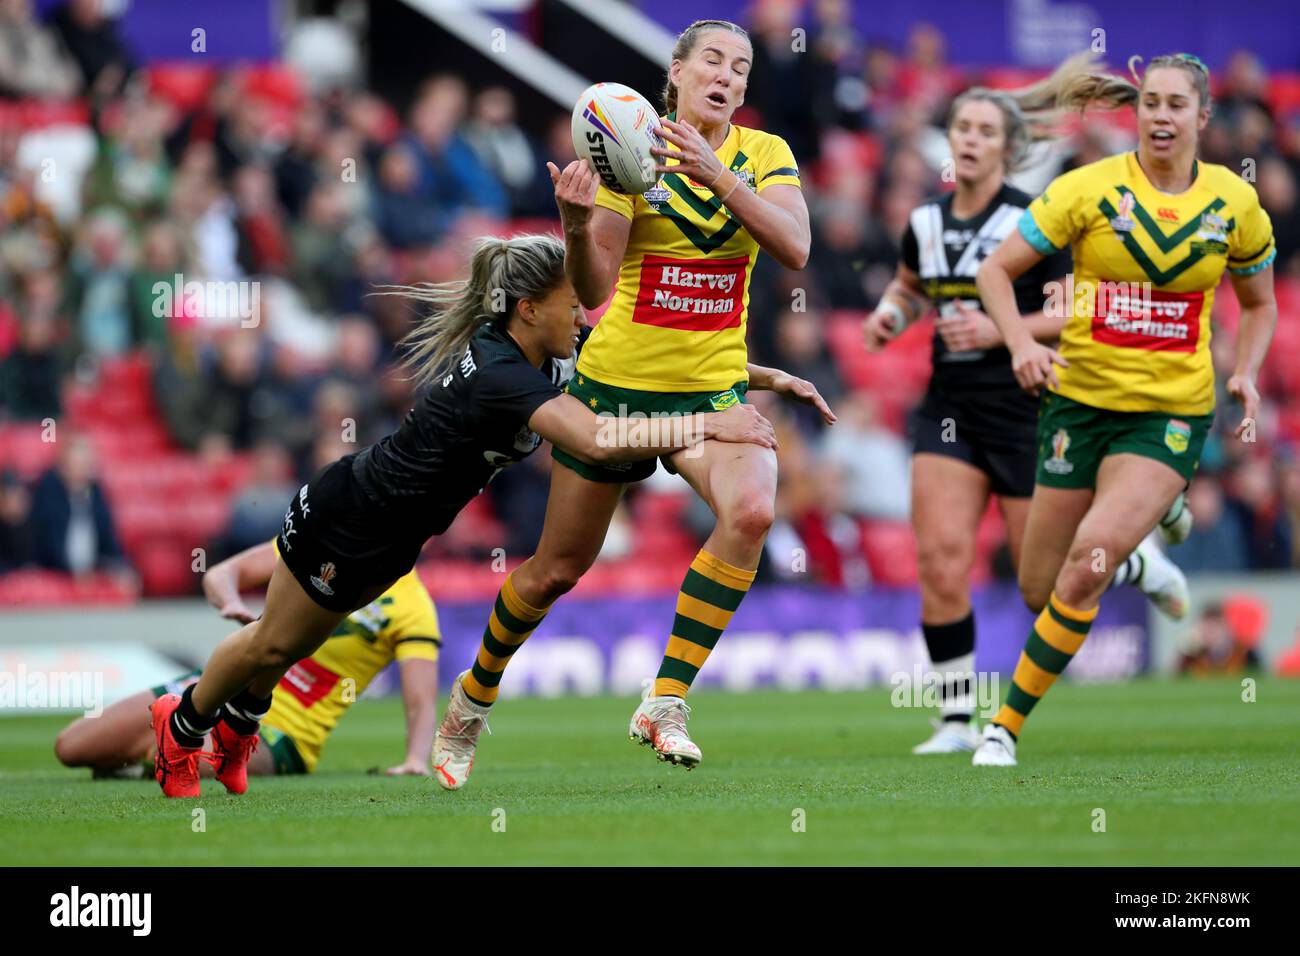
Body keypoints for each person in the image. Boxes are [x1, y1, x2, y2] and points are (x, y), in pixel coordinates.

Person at [148, 232, 778, 798]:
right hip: (353, 515)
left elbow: (643, 374)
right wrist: (711, 421)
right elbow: (594, 439)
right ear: (529, 309)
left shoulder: (539, 349)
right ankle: (181, 728)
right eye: (572, 304)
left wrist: (755, 378)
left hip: (395, 538)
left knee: (297, 641)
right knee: (274, 640)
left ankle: (233, 731)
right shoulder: (502, 375)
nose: (584, 316)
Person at [432, 19, 836, 790]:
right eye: (712, 60)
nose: (727, 74)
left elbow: (795, 247)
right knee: (554, 571)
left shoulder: (765, 155)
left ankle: (667, 698)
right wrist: (577, 223)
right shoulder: (630, 155)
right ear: (677, 74)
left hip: (712, 390)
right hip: (614, 393)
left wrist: (719, 174)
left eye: (741, 67)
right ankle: (472, 700)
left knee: (751, 513)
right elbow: (590, 292)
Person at [862, 62, 1191, 756]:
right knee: (943, 562)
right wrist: (893, 313)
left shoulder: (1032, 219)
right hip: (947, 407)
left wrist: (997, 328)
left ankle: (1133, 564)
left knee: (1038, 585)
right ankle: (955, 719)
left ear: (1008, 147)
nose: (972, 140)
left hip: (1026, 409)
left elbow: (1072, 311)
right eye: (962, 128)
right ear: (949, 142)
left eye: (986, 130)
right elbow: (912, 285)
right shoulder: (923, 221)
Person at [970, 53, 1277, 766]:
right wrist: (1019, 342)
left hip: (1168, 413)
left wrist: (1249, 372)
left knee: (1083, 568)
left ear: (1203, 117)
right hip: (1078, 405)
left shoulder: (1235, 203)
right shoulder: (1089, 189)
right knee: (1038, 586)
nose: (1161, 117)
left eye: (1176, 105)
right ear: (1135, 113)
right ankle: (1143, 562)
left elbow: (1259, 303)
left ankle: (1003, 729)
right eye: (1150, 104)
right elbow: (995, 271)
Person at [55, 539, 442, 778]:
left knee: (159, 751)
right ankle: (149, 749)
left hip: (283, 733)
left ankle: (150, 753)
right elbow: (223, 573)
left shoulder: (415, 608)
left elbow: (421, 699)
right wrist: (232, 602)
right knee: (72, 747)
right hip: (216, 683)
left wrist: (415, 758)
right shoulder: (316, 542)